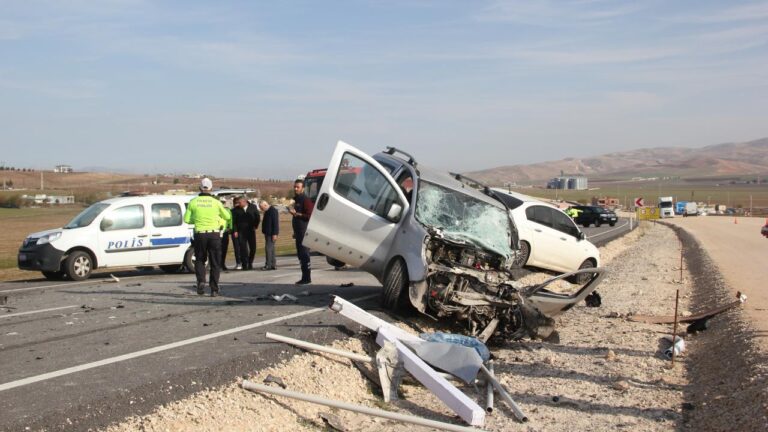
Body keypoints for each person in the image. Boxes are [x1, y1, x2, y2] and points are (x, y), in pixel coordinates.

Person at [183, 178, 230, 296]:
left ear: (200, 188)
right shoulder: (216, 202)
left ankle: (201, 282)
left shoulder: (193, 202)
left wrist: (197, 219)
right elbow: (227, 216)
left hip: (200, 234)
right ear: (211, 189)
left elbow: (187, 219)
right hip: (214, 234)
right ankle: (214, 288)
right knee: (215, 262)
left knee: (200, 260)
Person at [289, 179, 313, 284]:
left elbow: (309, 215)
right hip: (298, 232)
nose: (295, 189)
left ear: (302, 188)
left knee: (304, 254)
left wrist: (297, 214)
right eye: (294, 187)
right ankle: (304, 277)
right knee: (300, 255)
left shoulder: (305, 200)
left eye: (297, 187)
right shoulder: (296, 200)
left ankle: (307, 278)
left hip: (304, 231)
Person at [232, 196, 260, 270]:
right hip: (241, 231)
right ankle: (245, 264)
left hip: (251, 230)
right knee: (243, 249)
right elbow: (234, 222)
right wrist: (235, 230)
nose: (238, 204)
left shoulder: (253, 207)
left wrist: (256, 225)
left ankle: (250, 262)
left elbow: (257, 217)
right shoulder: (236, 210)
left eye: (239, 202)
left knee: (253, 248)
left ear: (244, 202)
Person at [259, 200, 279, 270]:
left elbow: (275, 223)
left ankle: (268, 265)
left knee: (268, 249)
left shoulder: (272, 211)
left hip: (271, 234)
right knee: (271, 249)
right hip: (268, 233)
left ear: (265, 205)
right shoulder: (267, 211)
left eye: (261, 208)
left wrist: (275, 234)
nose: (261, 209)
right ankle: (273, 264)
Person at [219, 199, 235, 271]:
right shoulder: (215, 210)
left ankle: (222, 263)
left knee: (224, 249)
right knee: (217, 249)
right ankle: (218, 264)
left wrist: (230, 228)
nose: (222, 204)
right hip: (217, 231)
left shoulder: (227, 210)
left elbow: (230, 220)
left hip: (224, 231)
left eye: (223, 203)